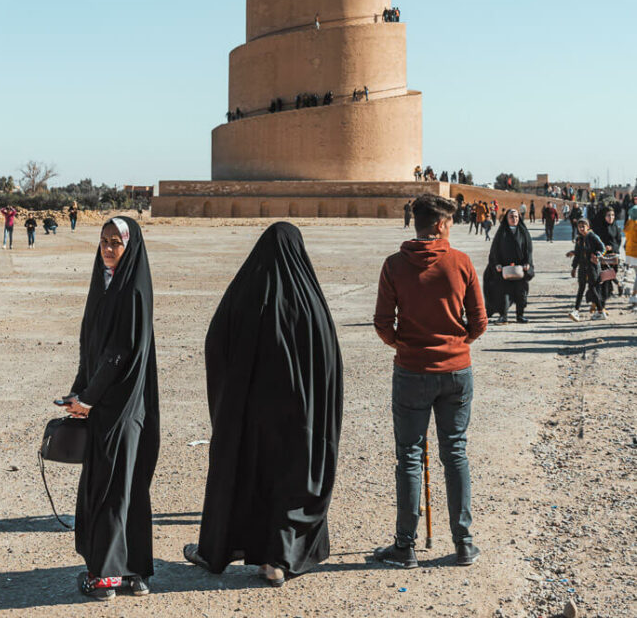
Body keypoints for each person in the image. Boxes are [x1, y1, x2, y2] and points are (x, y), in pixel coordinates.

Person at [184, 223, 343, 586]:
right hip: (300, 417)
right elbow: (329, 363)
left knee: (245, 474)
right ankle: (277, 561)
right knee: (292, 477)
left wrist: (230, 398)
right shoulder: (310, 300)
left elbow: (217, 344)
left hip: (250, 416)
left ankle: (221, 549)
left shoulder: (246, 293)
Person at [372, 193, 486, 569]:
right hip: (456, 372)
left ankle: (405, 546)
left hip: (412, 372)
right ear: (439, 225)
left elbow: (382, 324)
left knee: (409, 455)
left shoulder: (393, 265)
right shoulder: (461, 262)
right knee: (454, 453)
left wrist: (404, 345)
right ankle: (464, 542)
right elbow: (480, 323)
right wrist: (456, 345)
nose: (451, 229)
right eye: (450, 223)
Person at [58, 217, 160, 600]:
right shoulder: (104, 284)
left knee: (114, 487)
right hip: (103, 403)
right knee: (120, 485)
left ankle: (106, 576)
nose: (107, 248)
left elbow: (119, 354)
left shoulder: (131, 289)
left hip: (123, 407)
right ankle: (132, 573)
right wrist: (78, 392)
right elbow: (93, 348)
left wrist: (88, 398)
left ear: (129, 245)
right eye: (103, 241)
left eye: (115, 242)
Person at [485, 209, 534, 323]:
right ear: (507, 219)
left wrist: (528, 263)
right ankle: (503, 316)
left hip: (520, 268)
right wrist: (497, 263)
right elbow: (495, 250)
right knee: (503, 293)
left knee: (521, 292)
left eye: (516, 216)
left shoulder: (523, 232)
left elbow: (529, 250)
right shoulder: (502, 232)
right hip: (504, 268)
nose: (514, 219)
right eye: (511, 217)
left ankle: (520, 315)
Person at [567, 218, 607, 321]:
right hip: (582, 268)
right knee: (581, 288)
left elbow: (602, 248)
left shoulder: (593, 236)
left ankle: (601, 312)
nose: (581, 228)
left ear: (588, 227)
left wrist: (597, 255)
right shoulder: (579, 239)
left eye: (583, 226)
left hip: (592, 268)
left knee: (593, 289)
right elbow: (578, 254)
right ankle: (576, 311)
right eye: (579, 226)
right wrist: (574, 267)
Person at [591, 206, 621, 298]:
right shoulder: (599, 228)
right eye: (608, 215)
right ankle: (609, 291)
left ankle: (618, 285)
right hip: (603, 255)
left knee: (613, 272)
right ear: (604, 216)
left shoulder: (615, 227)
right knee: (606, 273)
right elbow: (595, 241)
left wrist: (612, 247)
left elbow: (618, 240)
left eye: (613, 215)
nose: (611, 217)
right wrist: (604, 247)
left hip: (613, 255)